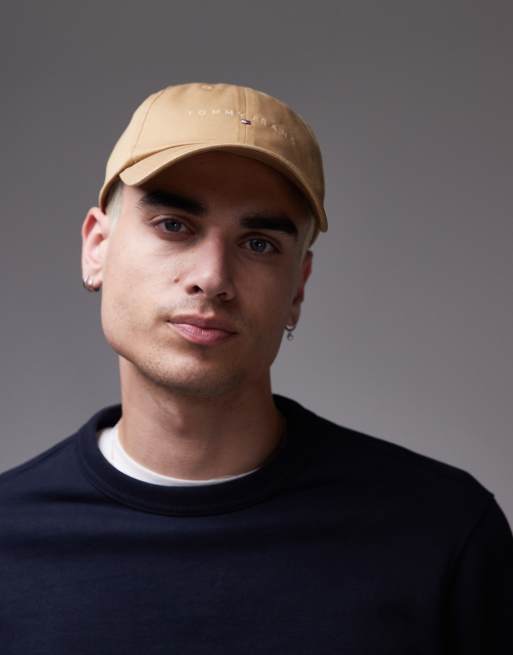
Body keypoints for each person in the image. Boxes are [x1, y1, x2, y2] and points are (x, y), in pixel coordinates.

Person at [1, 82, 511, 654]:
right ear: (97, 247)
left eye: (260, 243)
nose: (212, 277)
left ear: (299, 288)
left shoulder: (441, 532)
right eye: (174, 225)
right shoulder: (9, 538)